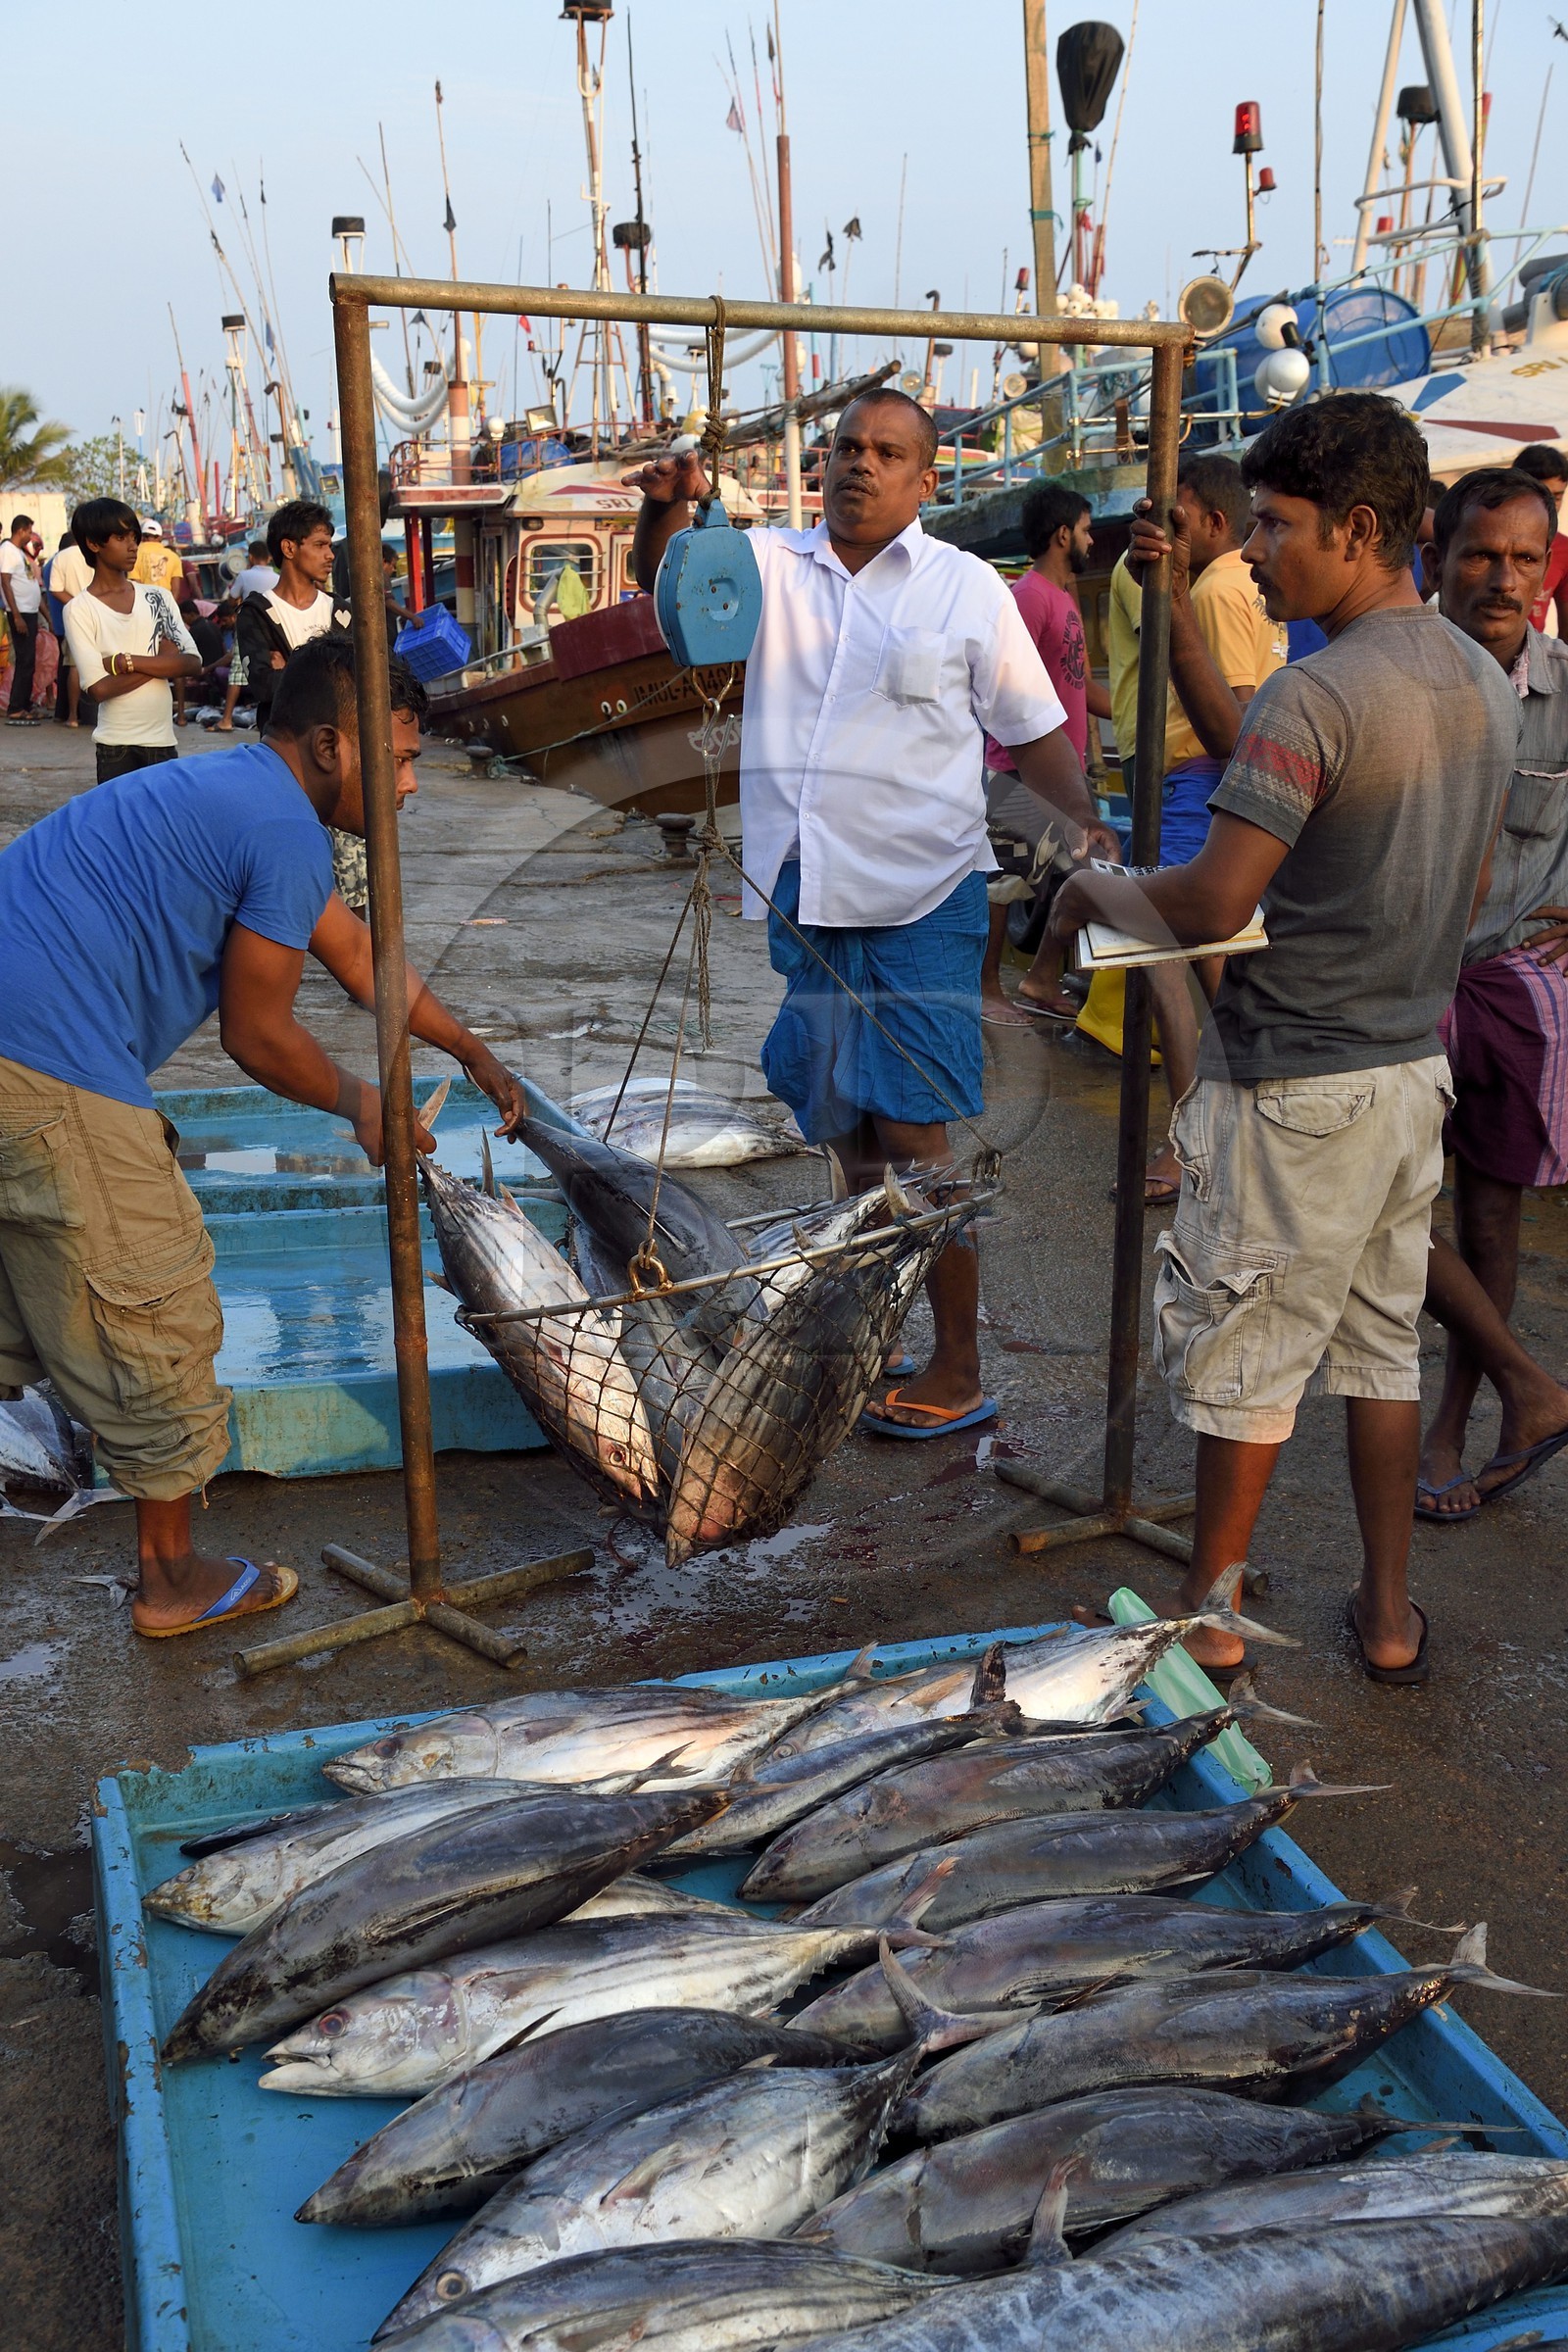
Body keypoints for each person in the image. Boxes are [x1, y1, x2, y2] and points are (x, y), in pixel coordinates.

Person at [1050, 392, 1521, 1684]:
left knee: (1246, 1356)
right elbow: (1473, 887)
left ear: (1358, 530)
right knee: (1379, 1352)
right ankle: (1387, 1613)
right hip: (1407, 1074)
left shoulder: (1311, 697)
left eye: (1274, 525)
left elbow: (1212, 904)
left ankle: (1208, 1615)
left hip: (1295, 1083)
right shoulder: (1483, 682)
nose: (1254, 553)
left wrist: (1089, 893)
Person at [0, 632, 524, 1638]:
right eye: (399, 760)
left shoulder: (236, 793)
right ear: (329, 746)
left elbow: (358, 953)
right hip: (42, 1057)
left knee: (19, 1299)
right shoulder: (283, 830)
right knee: (156, 1301)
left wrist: (470, 1049)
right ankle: (171, 1581)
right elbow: (257, 1034)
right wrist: (363, 1104)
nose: (411, 786)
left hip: (18, 1041)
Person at [626, 388, 1093, 1438]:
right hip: (807, 888)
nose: (858, 465)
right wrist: (666, 506)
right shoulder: (772, 564)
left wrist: (1085, 838)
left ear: (925, 481)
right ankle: (871, 1325)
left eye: (885, 453)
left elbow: (1035, 734)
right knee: (844, 1125)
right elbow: (669, 589)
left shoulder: (965, 588)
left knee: (917, 1132)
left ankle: (960, 1363)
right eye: (846, 447)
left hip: (923, 895)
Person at [1410, 466, 1568, 1521]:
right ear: (1437, 559)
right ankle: (1529, 1382)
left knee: (1489, 1218)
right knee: (1378, 1205)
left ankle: (1462, 1419)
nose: (1503, 579)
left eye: (1524, 558)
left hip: (1512, 982)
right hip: (1398, 979)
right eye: (1480, 555)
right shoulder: (1396, 674)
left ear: (1547, 567)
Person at [1109, 457, 1289, 1201]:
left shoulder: (1214, 586)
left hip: (1193, 776)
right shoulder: (1243, 584)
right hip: (1204, 776)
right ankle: (1236, 1128)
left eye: (1176, 518)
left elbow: (1234, 712)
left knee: (1163, 952)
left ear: (1211, 522)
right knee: (1216, 964)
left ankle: (1191, 1139)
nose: (1161, 529)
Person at [978, 482, 1117, 1029]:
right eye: (1085, 530)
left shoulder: (1063, 599)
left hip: (1063, 772)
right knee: (1003, 882)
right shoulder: (1029, 597)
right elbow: (1003, 681)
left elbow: (1078, 686)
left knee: (1071, 875)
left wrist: (1141, 710)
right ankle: (988, 988)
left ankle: (1040, 978)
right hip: (1021, 768)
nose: (1090, 540)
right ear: (1063, 535)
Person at [233, 500, 363, 907]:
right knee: (293, 885)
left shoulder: (342, 613)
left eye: (330, 546)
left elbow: (360, 684)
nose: (330, 555)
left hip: (344, 769)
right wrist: (329, 674)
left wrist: (289, 668)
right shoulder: (257, 613)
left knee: (353, 887)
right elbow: (263, 685)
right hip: (287, 770)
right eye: (320, 545)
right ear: (289, 548)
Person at [62, 499, 201, 785]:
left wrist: (124, 662)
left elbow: (192, 662)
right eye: (121, 537)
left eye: (134, 537)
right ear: (93, 544)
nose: (133, 546)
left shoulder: (158, 598)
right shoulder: (79, 609)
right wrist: (164, 662)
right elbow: (99, 689)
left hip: (163, 742)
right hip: (116, 747)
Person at [1512, 443, 1568, 634]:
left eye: (1557, 497)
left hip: (1531, 651)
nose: (1550, 505)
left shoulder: (1564, 549)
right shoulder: (1485, 537)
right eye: (1542, 494)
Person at [1, 514, 43, 726]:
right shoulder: (7, 550)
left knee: (29, 661)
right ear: (21, 530)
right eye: (29, 531)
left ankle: (24, 704)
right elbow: (5, 582)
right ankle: (16, 707)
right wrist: (16, 615)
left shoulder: (18, 552)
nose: (30, 536)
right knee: (25, 661)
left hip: (29, 612)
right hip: (20, 613)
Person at [47, 530, 89, 726]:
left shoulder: (60, 557)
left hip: (74, 618)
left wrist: (77, 604)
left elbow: (55, 590)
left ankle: (72, 716)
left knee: (74, 666)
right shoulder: (96, 551)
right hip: (101, 613)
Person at [129, 517, 185, 598]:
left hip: (144, 602)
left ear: (142, 536)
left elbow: (136, 585)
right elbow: (176, 589)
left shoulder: (134, 555)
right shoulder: (174, 557)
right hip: (166, 602)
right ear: (160, 537)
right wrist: (170, 604)